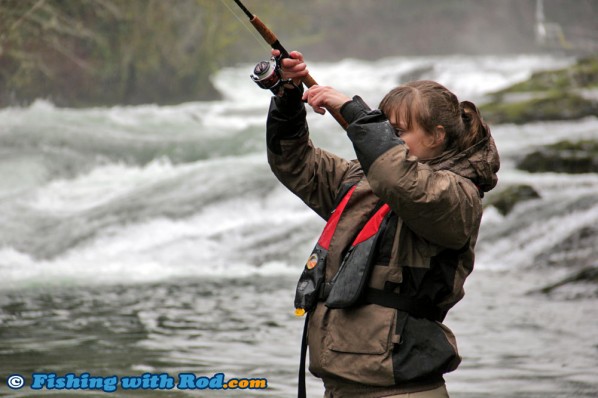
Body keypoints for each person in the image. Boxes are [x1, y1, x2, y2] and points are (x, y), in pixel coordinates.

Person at [266, 50, 500, 398]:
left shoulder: (457, 196)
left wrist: (355, 113)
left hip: (402, 390)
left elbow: (403, 182)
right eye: (384, 128)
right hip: (341, 385)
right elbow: (296, 163)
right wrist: (287, 98)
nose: (385, 139)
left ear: (437, 136)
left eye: (398, 132)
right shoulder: (364, 179)